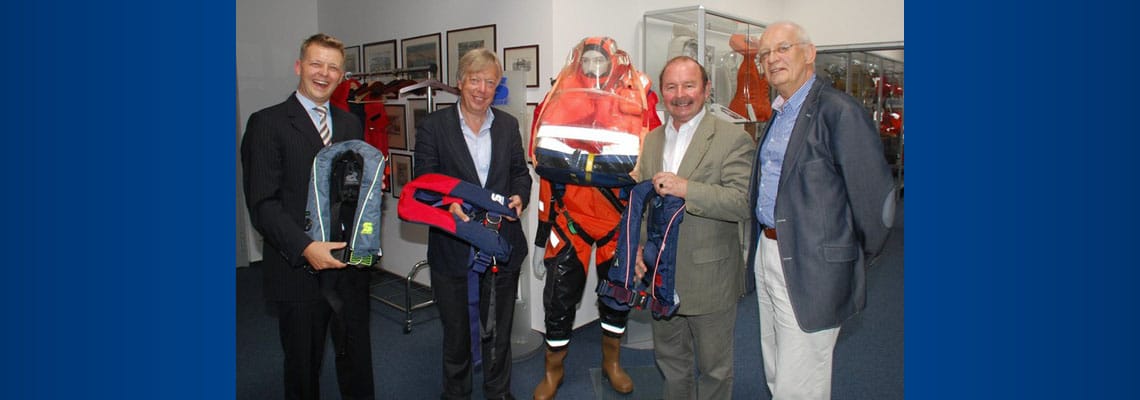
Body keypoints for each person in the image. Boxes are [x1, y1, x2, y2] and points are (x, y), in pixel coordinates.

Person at [748, 21, 896, 399]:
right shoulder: (779, 115)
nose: (773, 59)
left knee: (802, 379)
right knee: (777, 363)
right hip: (770, 252)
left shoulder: (839, 111)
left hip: (813, 264)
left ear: (809, 53)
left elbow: (875, 203)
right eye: (765, 54)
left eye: (783, 48)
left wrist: (844, 259)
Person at [240, 33, 374, 400]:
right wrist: (305, 248)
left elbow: (354, 192)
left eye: (333, 67)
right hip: (297, 270)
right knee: (303, 366)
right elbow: (263, 204)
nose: (323, 73)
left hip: (349, 267)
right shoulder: (267, 124)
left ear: (342, 75)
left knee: (357, 361)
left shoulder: (349, 125)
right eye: (316, 64)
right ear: (299, 67)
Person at [529, 36, 660, 400]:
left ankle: (612, 363)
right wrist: (541, 237)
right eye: (586, 60)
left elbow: (651, 167)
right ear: (578, 62)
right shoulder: (559, 98)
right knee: (558, 301)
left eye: (598, 60)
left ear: (614, 62)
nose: (592, 67)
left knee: (616, 298)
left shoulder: (638, 99)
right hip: (568, 220)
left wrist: (645, 231)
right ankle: (552, 371)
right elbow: (545, 170)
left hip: (617, 222)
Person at [413, 47, 531, 400]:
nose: (482, 89)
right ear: (460, 83)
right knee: (458, 336)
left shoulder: (508, 125)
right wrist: (446, 202)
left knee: (498, 332)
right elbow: (424, 182)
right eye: (475, 80)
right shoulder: (434, 127)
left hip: (501, 245)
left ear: (497, 87)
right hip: (454, 248)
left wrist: (520, 197)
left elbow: (519, 174)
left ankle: (499, 393)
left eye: (490, 83)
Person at [635, 56, 755, 400]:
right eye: (671, 86)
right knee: (672, 364)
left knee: (715, 371)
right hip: (661, 276)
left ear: (706, 90)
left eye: (689, 85)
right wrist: (641, 249)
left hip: (710, 279)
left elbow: (740, 202)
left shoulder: (732, 138)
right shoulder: (653, 139)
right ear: (662, 92)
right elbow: (646, 206)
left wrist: (685, 188)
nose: (680, 94)